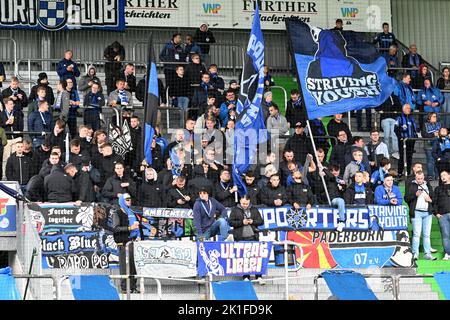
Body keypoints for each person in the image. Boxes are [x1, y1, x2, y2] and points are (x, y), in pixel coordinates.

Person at [228, 195, 264, 281]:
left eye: (247, 203)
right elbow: (230, 222)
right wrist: (242, 222)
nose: (245, 205)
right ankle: (246, 276)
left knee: (256, 257)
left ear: (249, 202)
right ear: (240, 201)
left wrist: (253, 221)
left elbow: (261, 221)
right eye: (243, 203)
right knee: (243, 258)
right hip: (241, 237)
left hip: (253, 236)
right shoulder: (235, 210)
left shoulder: (254, 209)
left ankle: (258, 276)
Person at [112, 193, 142, 293]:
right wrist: (130, 228)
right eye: (127, 199)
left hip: (132, 242)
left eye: (130, 199)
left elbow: (138, 227)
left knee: (133, 266)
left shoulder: (131, 212)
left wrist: (138, 236)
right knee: (124, 267)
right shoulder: (117, 213)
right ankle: (125, 288)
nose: (129, 201)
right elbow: (116, 228)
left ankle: (133, 286)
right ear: (122, 201)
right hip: (123, 243)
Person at [404, 170, 436, 260]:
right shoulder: (411, 185)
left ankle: (427, 254)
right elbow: (406, 198)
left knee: (426, 235)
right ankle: (415, 254)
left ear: (424, 177)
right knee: (417, 234)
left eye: (421, 178)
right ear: (415, 178)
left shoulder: (427, 185)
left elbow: (433, 198)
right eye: (418, 178)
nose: (420, 180)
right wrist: (415, 194)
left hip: (427, 213)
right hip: (416, 212)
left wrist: (430, 200)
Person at [395, 103, 419, 176]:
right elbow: (396, 129)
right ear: (404, 109)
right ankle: (399, 172)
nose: (409, 109)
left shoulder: (412, 118)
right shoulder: (399, 118)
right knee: (402, 156)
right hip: (403, 141)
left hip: (411, 141)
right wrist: (400, 137)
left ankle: (408, 172)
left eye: (409, 108)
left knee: (409, 157)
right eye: (408, 108)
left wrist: (416, 136)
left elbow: (415, 128)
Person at [433, 170, 450, 260]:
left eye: (444, 175)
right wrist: (436, 213)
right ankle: (448, 253)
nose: (443, 177)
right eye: (441, 175)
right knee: (445, 235)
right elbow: (434, 202)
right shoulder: (438, 189)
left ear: (449, 176)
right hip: (443, 215)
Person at [422, 113, 441, 180]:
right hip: (429, 145)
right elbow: (424, 135)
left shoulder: (439, 124)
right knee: (430, 161)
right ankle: (430, 176)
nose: (435, 117)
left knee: (437, 161)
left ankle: (437, 175)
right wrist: (433, 134)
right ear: (429, 117)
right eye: (434, 116)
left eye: (436, 116)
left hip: (438, 146)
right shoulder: (425, 125)